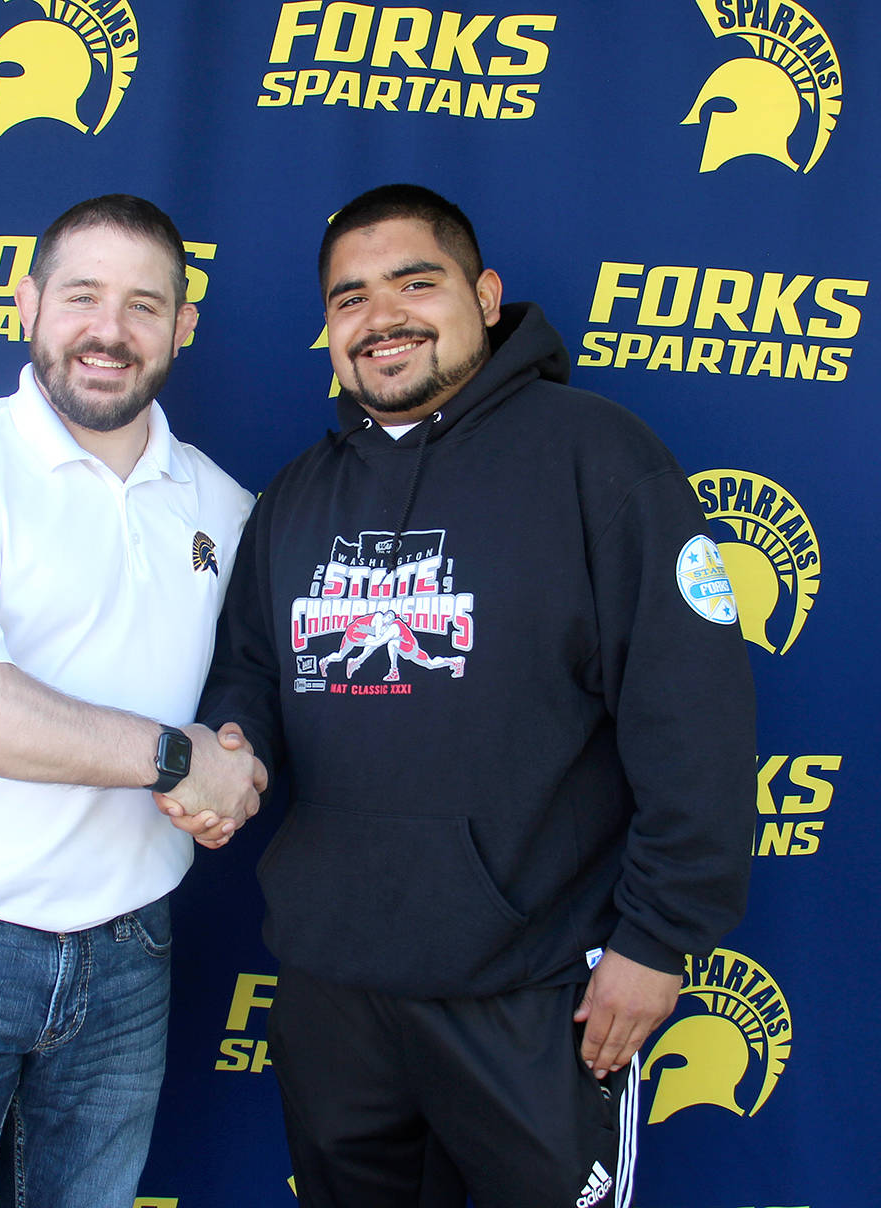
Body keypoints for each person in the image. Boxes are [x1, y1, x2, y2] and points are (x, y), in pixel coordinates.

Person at [179, 185, 755, 1208]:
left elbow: (692, 712)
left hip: (530, 994)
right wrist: (233, 742)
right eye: (349, 296)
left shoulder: (599, 458)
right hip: (333, 993)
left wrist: (657, 938)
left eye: (414, 281)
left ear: (483, 295)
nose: (380, 315)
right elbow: (252, 671)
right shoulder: (294, 496)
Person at [0, 194, 265, 1208]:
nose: (108, 330)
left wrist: (237, 761)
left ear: (181, 326)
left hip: (128, 944)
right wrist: (176, 758)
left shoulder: (223, 503)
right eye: (81, 296)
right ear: (28, 303)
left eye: (143, 304)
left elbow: (247, 691)